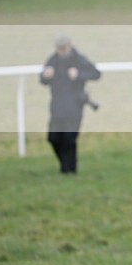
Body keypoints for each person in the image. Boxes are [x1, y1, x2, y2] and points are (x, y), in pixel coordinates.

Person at [39, 35, 101, 174]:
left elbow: (96, 74)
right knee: (53, 138)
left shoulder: (79, 59)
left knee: (69, 139)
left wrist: (78, 74)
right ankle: (65, 166)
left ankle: (70, 171)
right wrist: (45, 76)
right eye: (59, 49)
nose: (61, 51)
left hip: (74, 106)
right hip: (57, 107)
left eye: (64, 48)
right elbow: (42, 81)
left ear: (70, 46)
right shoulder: (53, 60)